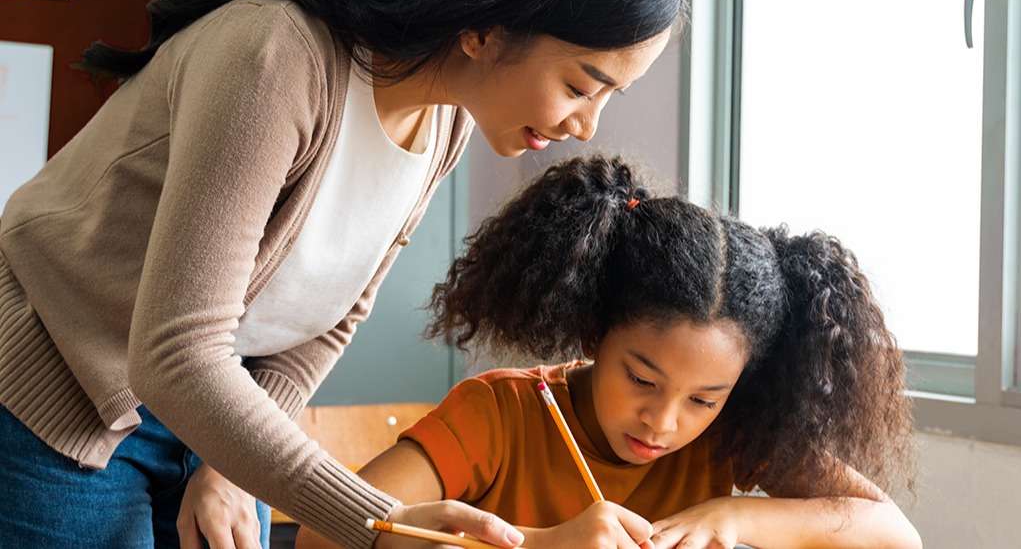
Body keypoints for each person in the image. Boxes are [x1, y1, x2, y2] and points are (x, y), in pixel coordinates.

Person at [0, 0, 685, 547]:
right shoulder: (275, 58)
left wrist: (229, 465)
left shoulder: (445, 124)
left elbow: (326, 321)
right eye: (578, 85)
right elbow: (177, 352)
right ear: (484, 28)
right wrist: (383, 523)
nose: (587, 125)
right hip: (56, 388)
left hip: (207, 407)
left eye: (609, 97)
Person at [298, 156, 922, 549]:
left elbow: (893, 535)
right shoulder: (503, 413)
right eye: (642, 379)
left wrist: (735, 516)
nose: (665, 421)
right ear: (596, 332)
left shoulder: (727, 434)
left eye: (704, 398)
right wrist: (543, 545)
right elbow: (323, 536)